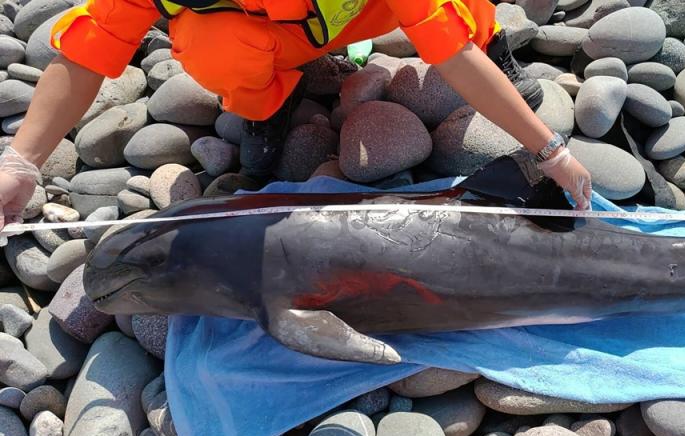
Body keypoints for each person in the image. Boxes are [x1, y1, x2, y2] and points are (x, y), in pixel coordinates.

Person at [0, 0, 594, 234]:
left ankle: (495, 38)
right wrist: (21, 162)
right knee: (213, 42)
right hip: (283, 29)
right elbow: (86, 54)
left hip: (368, 8)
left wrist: (550, 152)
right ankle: (271, 98)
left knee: (459, 13)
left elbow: (450, 56)